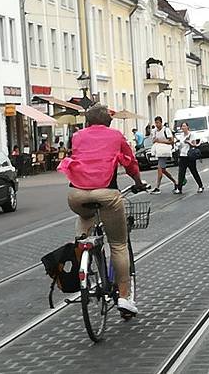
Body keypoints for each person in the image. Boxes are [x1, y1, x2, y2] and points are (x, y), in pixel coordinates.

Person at [58, 105, 146, 316]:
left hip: (76, 195)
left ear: (88, 121)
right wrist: (138, 182)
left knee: (84, 218)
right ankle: (124, 297)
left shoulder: (77, 136)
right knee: (118, 244)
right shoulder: (116, 136)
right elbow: (131, 163)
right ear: (108, 122)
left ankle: (83, 251)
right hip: (107, 194)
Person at [173, 122, 204, 194]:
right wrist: (177, 144)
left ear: (187, 127)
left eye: (184, 126)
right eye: (182, 126)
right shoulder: (181, 136)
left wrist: (188, 142)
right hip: (182, 156)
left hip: (189, 156)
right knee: (181, 173)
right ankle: (179, 188)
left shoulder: (191, 135)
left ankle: (200, 186)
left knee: (194, 172)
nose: (183, 128)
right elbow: (180, 145)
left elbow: (194, 145)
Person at [150, 116, 178, 195]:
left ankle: (157, 187)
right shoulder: (155, 131)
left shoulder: (166, 130)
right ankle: (175, 182)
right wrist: (155, 140)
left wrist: (161, 141)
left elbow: (172, 141)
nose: (157, 124)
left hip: (165, 151)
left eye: (158, 123)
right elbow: (153, 140)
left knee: (159, 168)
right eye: (156, 123)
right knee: (163, 170)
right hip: (159, 151)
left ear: (161, 122)